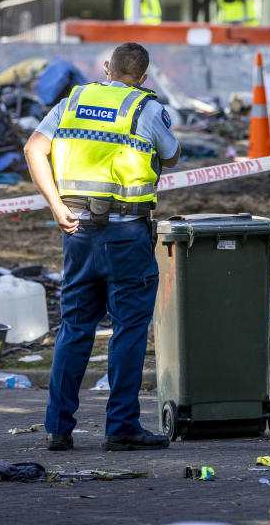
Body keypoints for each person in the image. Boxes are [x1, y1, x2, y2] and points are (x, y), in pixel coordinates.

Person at [24, 42, 181, 452]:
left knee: (74, 329)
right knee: (128, 330)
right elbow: (173, 154)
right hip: (126, 235)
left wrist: (56, 205)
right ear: (143, 77)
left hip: (76, 231)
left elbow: (33, 148)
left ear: (106, 67)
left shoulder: (72, 101)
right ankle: (122, 427)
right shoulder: (145, 108)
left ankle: (58, 429)